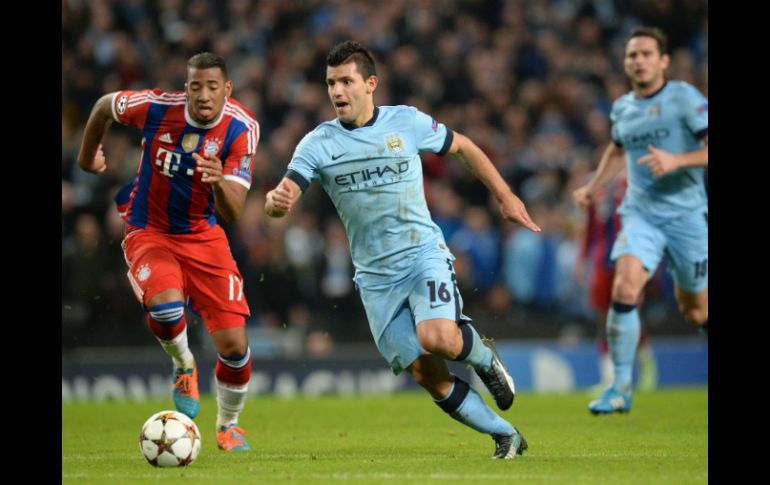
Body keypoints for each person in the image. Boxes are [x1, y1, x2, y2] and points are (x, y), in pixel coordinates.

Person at [265, 40, 541, 459]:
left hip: (422, 255)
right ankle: (507, 436)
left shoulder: (406, 123)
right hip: (375, 279)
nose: (337, 91)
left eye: (346, 81)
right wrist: (275, 202)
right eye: (330, 83)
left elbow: (463, 146)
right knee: (425, 372)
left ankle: (484, 358)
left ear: (370, 83)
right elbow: (285, 190)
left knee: (439, 338)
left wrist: (504, 195)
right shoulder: (317, 143)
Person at [77, 52, 259, 450]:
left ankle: (228, 426)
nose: (204, 95)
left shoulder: (241, 128)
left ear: (227, 89)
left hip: (203, 237)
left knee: (235, 348)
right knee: (166, 309)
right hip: (149, 229)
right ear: (186, 87)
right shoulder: (157, 107)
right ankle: (184, 364)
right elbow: (103, 106)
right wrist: (87, 154)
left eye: (213, 87)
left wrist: (216, 181)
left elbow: (235, 210)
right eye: (196, 86)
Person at [573, 27, 708, 414]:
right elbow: (616, 151)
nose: (639, 60)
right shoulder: (623, 108)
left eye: (647, 53)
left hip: (686, 216)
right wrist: (593, 187)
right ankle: (619, 386)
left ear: (663, 61)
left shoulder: (684, 98)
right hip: (641, 214)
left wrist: (676, 161)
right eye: (632, 55)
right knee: (625, 287)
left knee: (696, 310)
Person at [577, 172, 658, 392]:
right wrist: (583, 259)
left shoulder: (637, 183)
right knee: (604, 319)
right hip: (603, 261)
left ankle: (647, 364)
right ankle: (608, 378)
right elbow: (591, 228)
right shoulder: (597, 188)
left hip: (631, 256)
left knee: (630, 314)